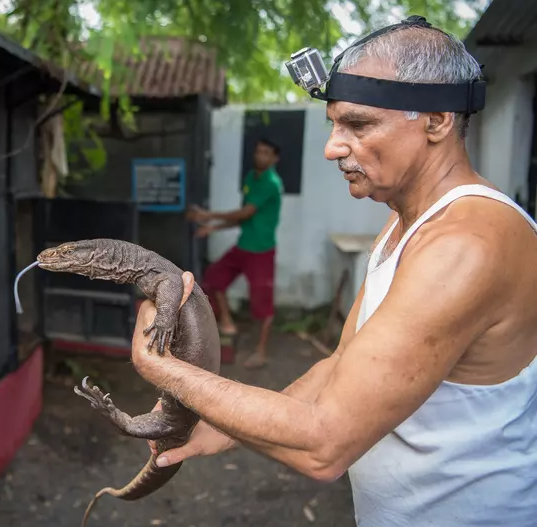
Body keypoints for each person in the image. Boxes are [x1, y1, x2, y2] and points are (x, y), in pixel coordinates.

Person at [132, 18, 537, 527]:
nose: (332, 147)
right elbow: (342, 364)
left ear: (437, 120)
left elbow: (325, 444)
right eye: (334, 124)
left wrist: (160, 366)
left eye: (359, 125)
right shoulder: (406, 224)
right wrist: (225, 424)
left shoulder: (465, 244)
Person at [187, 138, 284, 369]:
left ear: (274, 159)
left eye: (266, 153)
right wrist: (214, 227)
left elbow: (245, 212)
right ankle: (228, 323)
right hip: (243, 245)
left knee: (262, 303)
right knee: (213, 279)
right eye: (258, 151)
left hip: (261, 251)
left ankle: (261, 352)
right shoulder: (252, 177)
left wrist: (208, 216)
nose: (260, 156)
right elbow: (244, 218)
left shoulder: (271, 183)